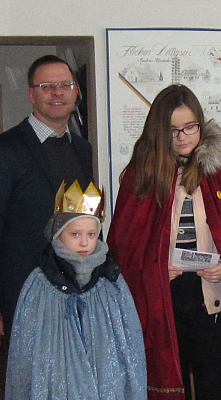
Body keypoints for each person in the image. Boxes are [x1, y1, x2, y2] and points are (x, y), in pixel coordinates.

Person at [108, 84, 221, 399]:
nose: (182, 136)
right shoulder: (141, 176)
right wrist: (153, 270)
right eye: (173, 130)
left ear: (201, 124)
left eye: (190, 127)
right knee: (168, 380)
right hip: (163, 297)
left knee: (214, 382)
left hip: (212, 295)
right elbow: (124, 247)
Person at [5, 181, 146, 399]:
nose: (84, 242)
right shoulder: (40, 283)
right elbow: (25, 350)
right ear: (58, 234)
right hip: (57, 378)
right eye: (75, 234)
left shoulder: (111, 281)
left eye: (91, 234)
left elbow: (129, 343)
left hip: (104, 377)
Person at [0, 55, 93, 343]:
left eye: (65, 85)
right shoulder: (6, 150)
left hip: (74, 297)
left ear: (75, 92)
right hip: (23, 296)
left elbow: (84, 217)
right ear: (31, 94)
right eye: (47, 86)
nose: (57, 93)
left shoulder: (83, 150)